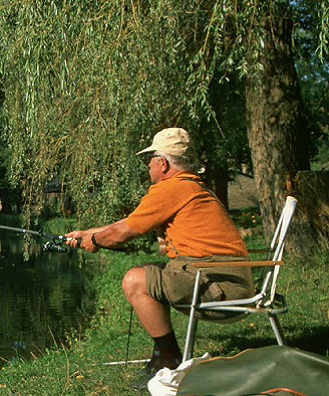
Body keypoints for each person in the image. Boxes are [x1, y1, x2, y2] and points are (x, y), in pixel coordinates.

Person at [65, 127, 254, 376]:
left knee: (135, 280)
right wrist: (87, 233)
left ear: (162, 163)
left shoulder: (171, 189)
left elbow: (123, 233)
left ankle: (169, 360)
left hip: (221, 287)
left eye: (150, 160)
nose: (148, 166)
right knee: (146, 271)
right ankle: (162, 354)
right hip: (223, 279)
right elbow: (129, 223)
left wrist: (95, 241)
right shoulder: (188, 186)